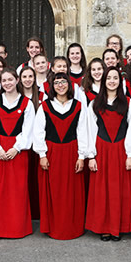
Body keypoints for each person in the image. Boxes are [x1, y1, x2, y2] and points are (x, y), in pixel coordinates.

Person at [85, 67, 131, 241]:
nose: (112, 81)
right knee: (102, 190)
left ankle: (118, 227)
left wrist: (130, 154)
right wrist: (91, 155)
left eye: (115, 78)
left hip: (120, 150)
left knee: (119, 189)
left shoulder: (128, 103)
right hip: (102, 150)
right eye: (109, 78)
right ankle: (104, 227)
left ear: (120, 81)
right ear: (104, 81)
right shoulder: (94, 104)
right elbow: (90, 130)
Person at [0, 69, 35, 239]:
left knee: (16, 190)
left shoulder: (27, 103)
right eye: (4, 80)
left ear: (17, 80)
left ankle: (16, 228)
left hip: (17, 151)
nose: (7, 83)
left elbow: (28, 130)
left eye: (10, 79)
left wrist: (17, 147)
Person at [33, 73, 86, 240]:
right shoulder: (45, 106)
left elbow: (82, 132)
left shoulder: (79, 106)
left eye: (64, 82)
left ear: (69, 85)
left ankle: (72, 228)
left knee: (71, 192)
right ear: (51, 86)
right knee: (53, 191)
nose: (60, 85)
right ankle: (54, 228)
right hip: (52, 153)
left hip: (72, 152)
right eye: (56, 83)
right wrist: (42, 154)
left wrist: (81, 156)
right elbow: (38, 132)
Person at [19, 65, 43, 220]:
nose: (28, 80)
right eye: (24, 77)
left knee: (36, 177)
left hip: (38, 142)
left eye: (30, 77)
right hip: (21, 142)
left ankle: (37, 210)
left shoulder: (42, 95)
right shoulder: (15, 96)